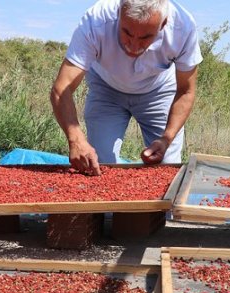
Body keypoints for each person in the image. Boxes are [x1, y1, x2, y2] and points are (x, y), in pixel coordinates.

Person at [50, 0, 203, 175]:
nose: (134, 45)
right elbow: (62, 88)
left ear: (164, 23)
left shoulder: (183, 28)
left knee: (166, 167)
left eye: (145, 37)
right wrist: (76, 139)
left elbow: (186, 90)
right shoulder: (96, 20)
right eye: (126, 32)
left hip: (158, 91)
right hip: (106, 89)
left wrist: (166, 139)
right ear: (118, 15)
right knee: (97, 165)